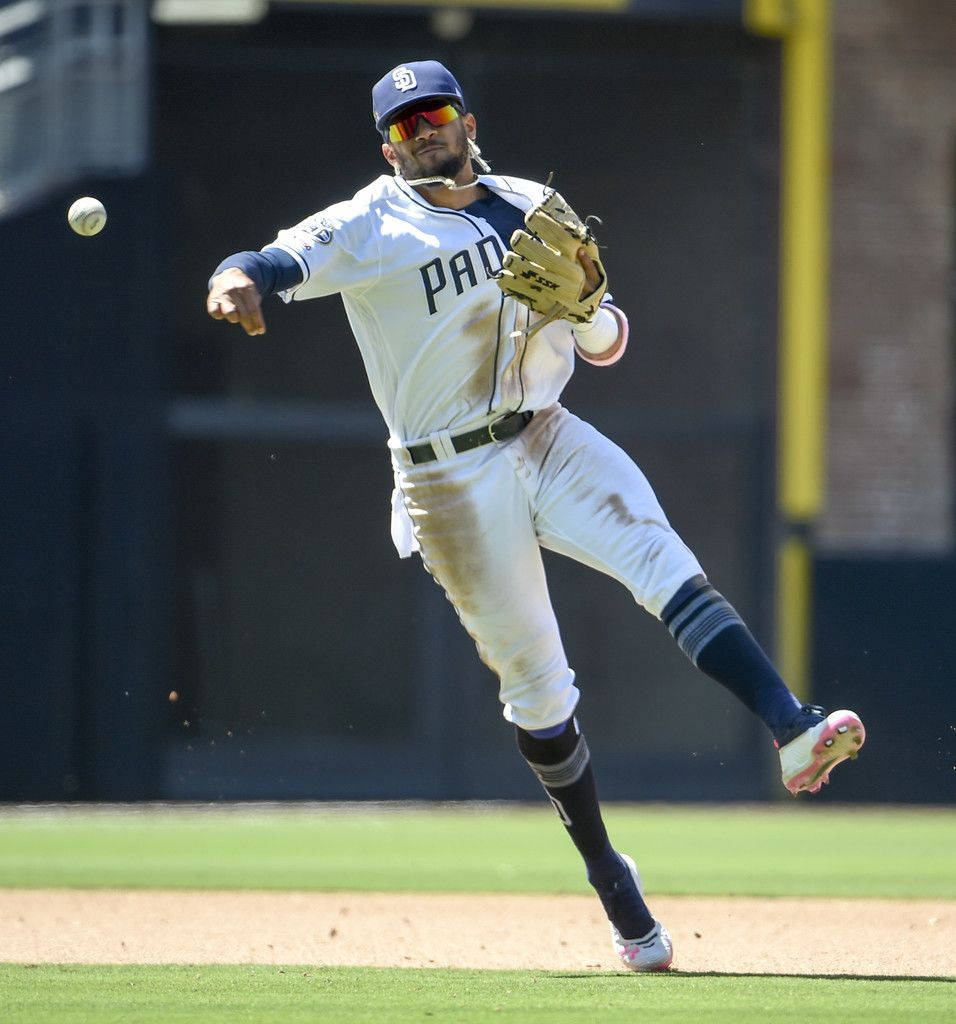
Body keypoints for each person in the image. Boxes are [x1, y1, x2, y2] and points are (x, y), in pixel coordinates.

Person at [206, 59, 865, 972]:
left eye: (433, 114)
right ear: (387, 146)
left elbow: (607, 342)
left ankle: (792, 730)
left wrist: (590, 307)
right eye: (402, 127)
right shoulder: (369, 220)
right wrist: (234, 278)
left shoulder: (530, 206)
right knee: (539, 687)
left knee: (662, 559)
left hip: (546, 432)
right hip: (447, 481)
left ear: (467, 120)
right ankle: (612, 882)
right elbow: (273, 258)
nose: (422, 133)